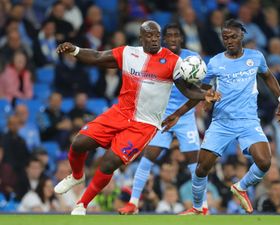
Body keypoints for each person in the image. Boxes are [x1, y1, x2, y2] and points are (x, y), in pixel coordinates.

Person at [53, 20, 220, 215]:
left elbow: (187, 89)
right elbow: (98, 57)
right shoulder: (128, 53)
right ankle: (76, 175)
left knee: (109, 162)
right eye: (149, 36)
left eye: (157, 36)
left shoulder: (173, 61)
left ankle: (82, 204)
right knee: (79, 143)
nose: (154, 39)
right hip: (119, 113)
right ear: (141, 38)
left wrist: (204, 95)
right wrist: (75, 51)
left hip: (144, 124)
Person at [163, 19, 280, 214]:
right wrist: (180, 112)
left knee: (264, 162)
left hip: (248, 122)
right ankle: (198, 208)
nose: (229, 41)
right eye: (225, 37)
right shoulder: (215, 62)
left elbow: (268, 76)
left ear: (241, 36)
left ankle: (241, 187)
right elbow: (201, 92)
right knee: (201, 168)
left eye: (233, 37)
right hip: (221, 123)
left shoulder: (255, 57)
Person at [117, 23, 208, 215]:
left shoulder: (192, 59)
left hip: (184, 116)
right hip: (160, 116)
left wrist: (206, 95)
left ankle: (203, 207)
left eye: (176, 35)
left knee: (195, 161)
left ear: (181, 38)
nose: (173, 39)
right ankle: (133, 203)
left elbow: (197, 90)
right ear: (164, 39)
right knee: (148, 156)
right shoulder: (158, 57)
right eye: (169, 36)